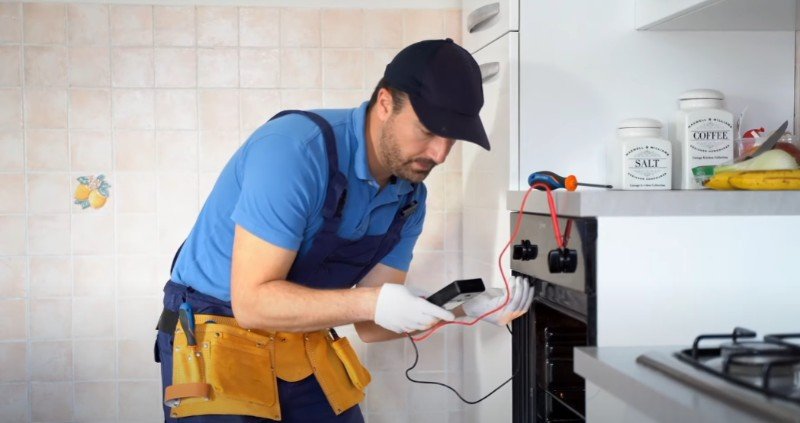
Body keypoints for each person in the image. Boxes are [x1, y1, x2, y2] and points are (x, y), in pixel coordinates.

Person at [153, 38, 532, 423]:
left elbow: (371, 326)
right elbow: (252, 303)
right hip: (215, 329)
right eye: (427, 131)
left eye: (451, 138)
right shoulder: (295, 151)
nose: (440, 154)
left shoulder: (409, 198)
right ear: (385, 104)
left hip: (301, 336)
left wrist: (462, 309)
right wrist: (373, 302)